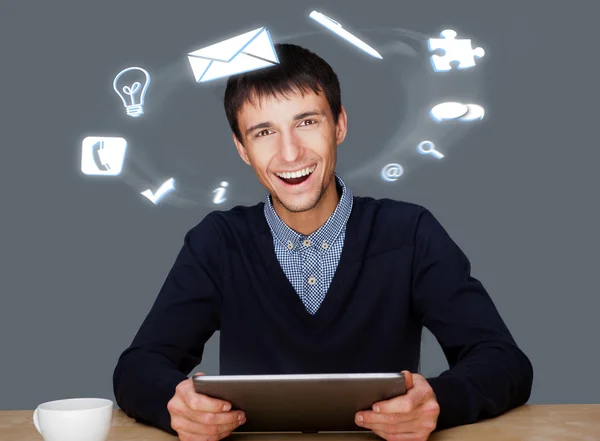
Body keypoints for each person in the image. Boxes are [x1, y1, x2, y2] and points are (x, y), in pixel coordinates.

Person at [113, 43, 533, 441]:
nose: (290, 153)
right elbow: (138, 366)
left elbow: (503, 360)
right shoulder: (218, 242)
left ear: (340, 125)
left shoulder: (409, 231)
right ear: (242, 148)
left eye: (306, 122)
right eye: (263, 132)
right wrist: (176, 405)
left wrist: (438, 403)